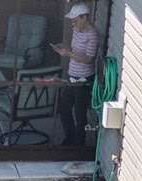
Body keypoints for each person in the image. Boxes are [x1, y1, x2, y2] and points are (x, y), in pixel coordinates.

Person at [51, 2, 100, 146]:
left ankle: (79, 144)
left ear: (84, 18)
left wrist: (69, 54)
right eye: (72, 21)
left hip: (83, 78)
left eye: (75, 20)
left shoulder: (92, 35)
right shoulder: (76, 30)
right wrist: (65, 48)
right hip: (72, 74)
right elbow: (74, 49)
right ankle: (70, 137)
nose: (73, 24)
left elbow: (89, 59)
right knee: (64, 107)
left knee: (80, 112)